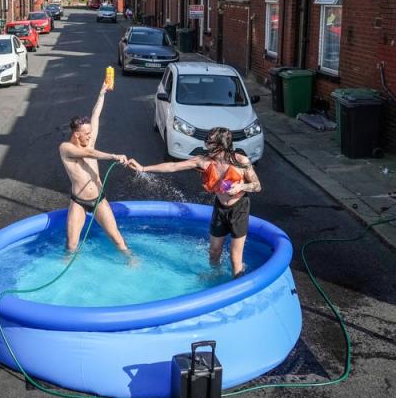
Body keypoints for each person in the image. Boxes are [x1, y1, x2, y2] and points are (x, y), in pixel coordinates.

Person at [129, 127, 261, 276]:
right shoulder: (203, 161)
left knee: (235, 258)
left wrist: (241, 186)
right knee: (214, 252)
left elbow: (257, 185)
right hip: (220, 208)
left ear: (222, 145)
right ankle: (215, 276)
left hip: (239, 209)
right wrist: (143, 168)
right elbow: (173, 166)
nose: (208, 148)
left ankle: (239, 288)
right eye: (207, 144)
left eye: (211, 145)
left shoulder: (241, 161)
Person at [59, 82, 132, 253]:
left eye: (91, 133)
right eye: (87, 134)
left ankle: (132, 262)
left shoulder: (89, 141)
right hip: (79, 201)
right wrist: (113, 156)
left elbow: (96, 115)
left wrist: (102, 94)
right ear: (77, 135)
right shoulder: (65, 148)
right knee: (71, 245)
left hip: (99, 199)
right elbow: (89, 154)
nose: (91, 136)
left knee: (117, 239)